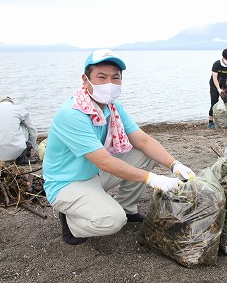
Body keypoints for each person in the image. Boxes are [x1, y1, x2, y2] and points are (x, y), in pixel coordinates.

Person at [43, 49, 195, 245]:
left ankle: (126, 207)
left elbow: (143, 140)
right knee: (113, 222)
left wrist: (175, 165)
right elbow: (105, 161)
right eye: (101, 77)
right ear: (85, 79)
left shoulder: (112, 108)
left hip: (94, 173)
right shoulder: (72, 115)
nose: (109, 84)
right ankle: (72, 221)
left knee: (144, 154)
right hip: (67, 182)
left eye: (115, 78)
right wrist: (153, 179)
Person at [0, 96, 38, 164]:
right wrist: (32, 144)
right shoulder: (19, 109)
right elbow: (32, 130)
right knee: (24, 127)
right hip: (16, 151)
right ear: (12, 103)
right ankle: (22, 158)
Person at [208, 48, 227, 128]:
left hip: (225, 84)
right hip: (214, 85)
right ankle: (211, 122)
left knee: (226, 102)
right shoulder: (217, 64)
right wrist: (219, 89)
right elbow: (214, 78)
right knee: (214, 102)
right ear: (223, 57)